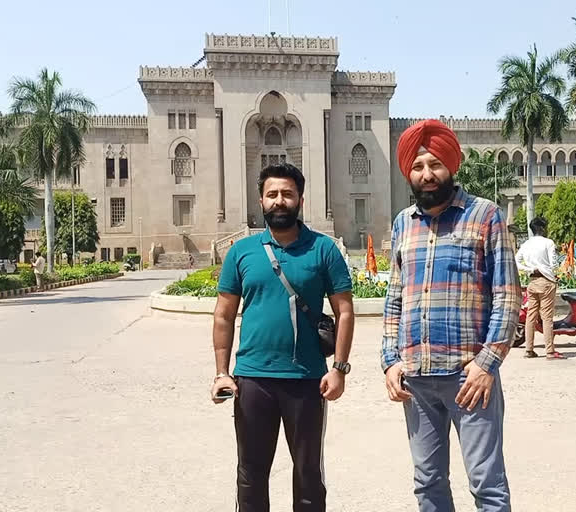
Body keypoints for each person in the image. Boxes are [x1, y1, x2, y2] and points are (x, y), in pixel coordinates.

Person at [381, 119, 522, 512]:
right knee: (427, 483)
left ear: (451, 166)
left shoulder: (485, 216)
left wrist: (486, 364)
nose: (427, 174)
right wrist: (389, 361)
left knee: (486, 485)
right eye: (418, 166)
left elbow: (507, 297)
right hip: (417, 379)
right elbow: (394, 299)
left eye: (435, 164)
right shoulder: (402, 224)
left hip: (468, 377)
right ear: (408, 171)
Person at [210, 163, 355, 512]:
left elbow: (345, 312)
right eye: (272, 194)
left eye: (287, 194)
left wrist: (338, 368)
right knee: (251, 475)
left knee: (308, 475)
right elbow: (224, 315)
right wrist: (221, 372)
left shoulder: (323, 250)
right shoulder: (242, 252)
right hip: (252, 381)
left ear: (300, 200)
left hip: (306, 381)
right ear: (261, 200)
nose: (279, 200)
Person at [515, 216, 564, 359]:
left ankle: (529, 350)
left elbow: (516, 261)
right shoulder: (548, 243)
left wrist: (530, 269)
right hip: (546, 281)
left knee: (531, 316)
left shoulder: (526, 244)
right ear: (542, 228)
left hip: (532, 282)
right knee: (547, 317)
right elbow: (554, 264)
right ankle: (549, 350)